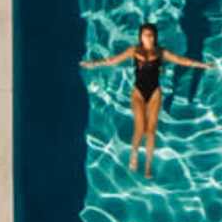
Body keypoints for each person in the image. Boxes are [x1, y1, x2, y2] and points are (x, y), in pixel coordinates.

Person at [86, 19, 208, 172]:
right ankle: (134, 156)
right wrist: (94, 63)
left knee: (150, 131)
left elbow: (182, 60)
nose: (148, 38)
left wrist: (203, 65)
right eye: (145, 35)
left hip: (155, 93)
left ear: (155, 37)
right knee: (139, 128)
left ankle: (149, 164)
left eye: (150, 36)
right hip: (138, 92)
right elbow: (112, 60)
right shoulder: (134, 51)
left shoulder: (161, 52)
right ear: (140, 37)